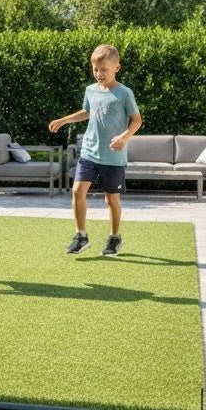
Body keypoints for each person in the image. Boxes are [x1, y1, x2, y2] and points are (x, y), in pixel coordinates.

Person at [47, 43, 141, 257]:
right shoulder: (90, 90)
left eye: (104, 70)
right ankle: (81, 236)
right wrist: (63, 120)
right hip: (89, 152)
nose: (99, 74)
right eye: (96, 70)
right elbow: (87, 111)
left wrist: (124, 137)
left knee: (111, 199)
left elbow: (136, 121)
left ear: (117, 68)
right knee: (78, 191)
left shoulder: (125, 93)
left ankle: (115, 237)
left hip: (113, 155)